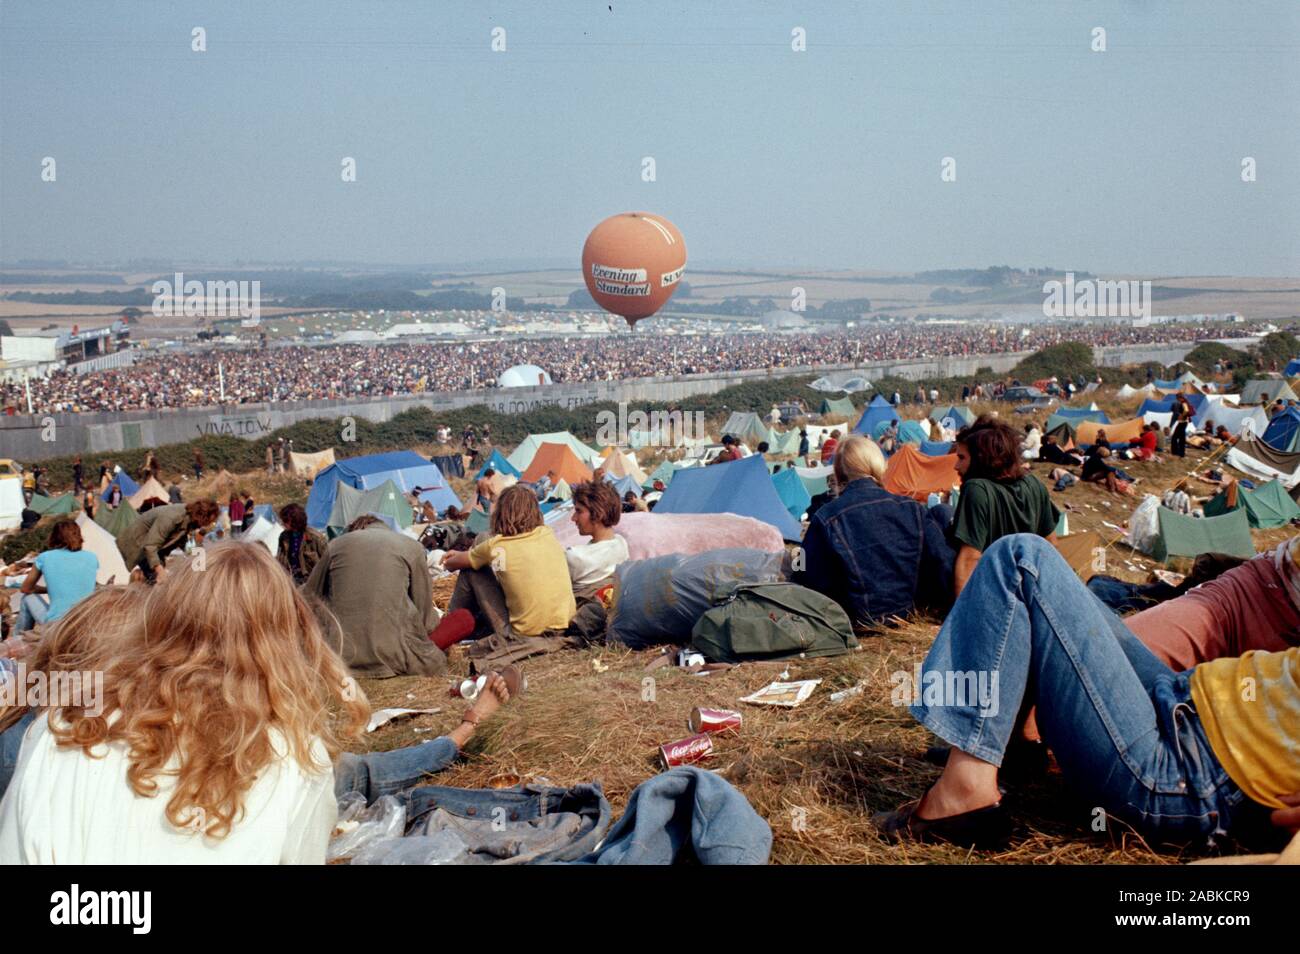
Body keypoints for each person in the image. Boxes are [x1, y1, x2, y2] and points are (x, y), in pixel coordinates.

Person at [875, 534, 1300, 853]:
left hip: (1187, 773)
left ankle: (964, 792)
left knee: (1020, 561)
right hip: (1189, 704)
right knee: (1039, 575)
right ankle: (1006, 748)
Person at [793, 436, 955, 633]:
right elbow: (942, 561)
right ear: (877, 464)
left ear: (839, 471)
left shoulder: (826, 517)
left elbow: (804, 574)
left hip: (857, 621)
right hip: (910, 613)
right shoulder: (912, 508)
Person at [305, 515, 445, 677]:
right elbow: (426, 618)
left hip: (340, 655)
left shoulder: (336, 545)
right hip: (394, 655)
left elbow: (309, 598)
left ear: (355, 529)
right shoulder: (411, 547)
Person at [440, 485, 576, 647]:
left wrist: (453, 556)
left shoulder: (497, 546)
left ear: (500, 514)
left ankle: (448, 627)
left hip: (522, 633)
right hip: (564, 625)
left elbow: (451, 565)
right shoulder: (547, 534)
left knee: (472, 570)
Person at [949, 416, 1058, 596]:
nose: (956, 465)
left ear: (981, 459)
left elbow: (970, 559)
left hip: (992, 590)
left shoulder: (976, 489)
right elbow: (1051, 544)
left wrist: (963, 616)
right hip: (1026, 589)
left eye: (962, 457)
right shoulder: (1034, 484)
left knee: (937, 516)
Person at [13, 520, 98, 636]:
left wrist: (47, 589)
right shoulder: (92, 557)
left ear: (54, 536)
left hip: (56, 625)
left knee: (27, 598)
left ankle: (18, 639)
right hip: (85, 622)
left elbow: (26, 589)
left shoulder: (45, 557)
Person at [116, 499, 220, 583]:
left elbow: (187, 544)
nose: (207, 525)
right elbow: (150, 546)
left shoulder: (190, 519)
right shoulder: (172, 517)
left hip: (155, 548)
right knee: (156, 581)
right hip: (137, 545)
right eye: (208, 521)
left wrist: (202, 564)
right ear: (201, 515)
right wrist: (160, 571)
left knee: (159, 580)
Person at [276, 503, 328, 586]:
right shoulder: (283, 537)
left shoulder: (316, 538)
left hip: (311, 583)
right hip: (291, 580)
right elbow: (280, 558)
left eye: (285, 521)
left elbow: (327, 563)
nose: (283, 523)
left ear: (295, 521)